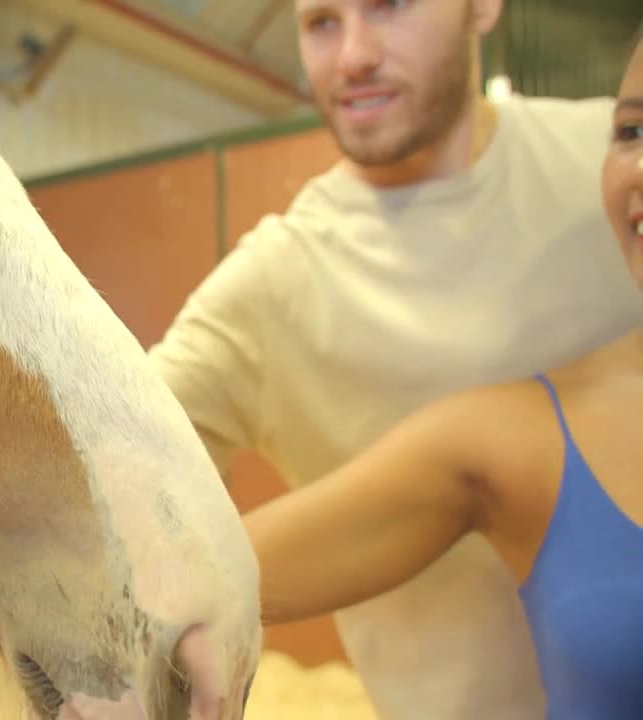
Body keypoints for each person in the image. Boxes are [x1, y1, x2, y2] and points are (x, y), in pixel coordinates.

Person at [146, 1, 643, 717]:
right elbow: (100, 470)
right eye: (320, 22)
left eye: (389, 5)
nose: (351, 55)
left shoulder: (610, 157)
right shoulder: (272, 288)